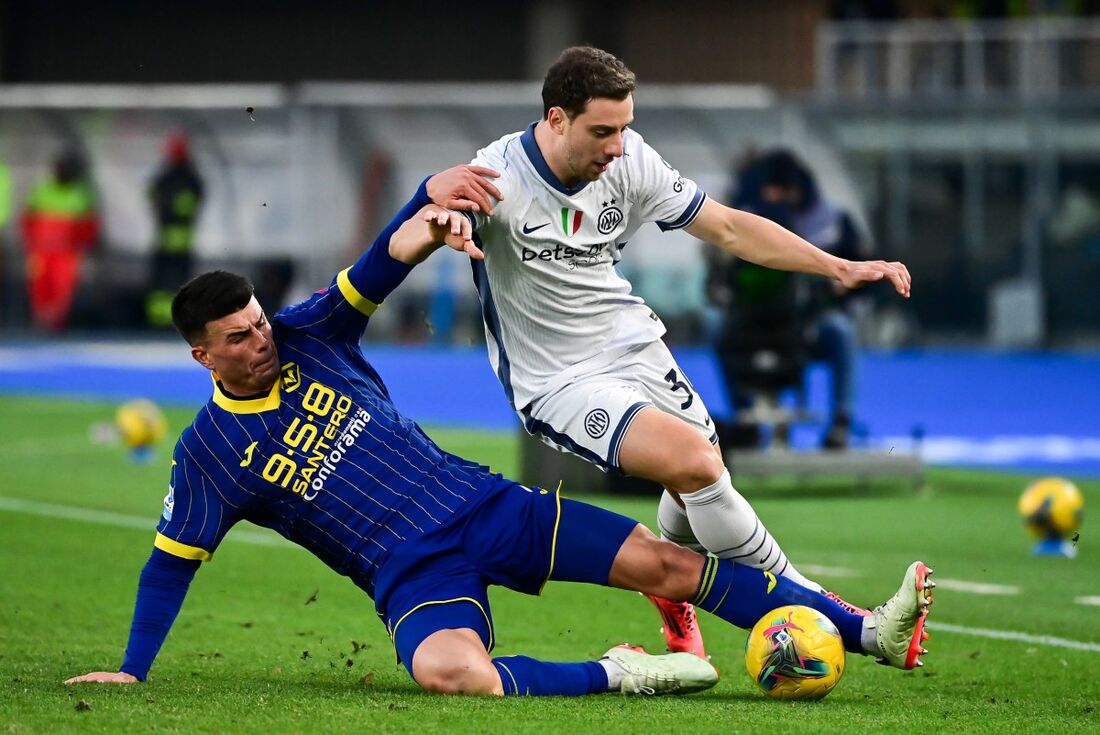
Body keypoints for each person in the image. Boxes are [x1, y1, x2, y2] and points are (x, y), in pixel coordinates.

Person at [64, 165, 934, 696]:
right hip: (411, 568)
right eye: (240, 337)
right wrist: (134, 669)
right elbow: (168, 566)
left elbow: (386, 256)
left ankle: (866, 633)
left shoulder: (309, 332)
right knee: (452, 675)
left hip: (482, 504)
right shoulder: (210, 456)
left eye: (258, 321)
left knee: (670, 563)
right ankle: (628, 670)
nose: (261, 339)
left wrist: (432, 212)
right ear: (199, 355)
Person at [457, 47, 912, 657]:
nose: (618, 146)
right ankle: (848, 624)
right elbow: (431, 213)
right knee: (697, 465)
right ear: (556, 119)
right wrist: (445, 220)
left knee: (695, 476)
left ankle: (670, 590)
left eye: (624, 128)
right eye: (602, 131)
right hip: (558, 380)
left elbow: (726, 227)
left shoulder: (629, 158)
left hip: (630, 342)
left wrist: (834, 266)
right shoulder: (497, 176)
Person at [714, 149, 870, 449]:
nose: (777, 196)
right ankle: (744, 418)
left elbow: (859, 274)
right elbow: (721, 277)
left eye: (783, 190)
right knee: (714, 324)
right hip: (751, 322)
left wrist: (836, 293)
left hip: (810, 321)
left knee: (841, 328)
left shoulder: (832, 222)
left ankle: (841, 420)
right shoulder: (745, 216)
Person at [20, 149, 99, 331]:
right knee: (39, 288)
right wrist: (30, 243)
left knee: (63, 290)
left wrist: (84, 244)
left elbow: (89, 225)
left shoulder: (81, 194)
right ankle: (41, 322)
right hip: (41, 251)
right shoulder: (41, 190)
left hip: (66, 253)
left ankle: (56, 325)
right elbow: (27, 220)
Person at [146, 133, 205, 328]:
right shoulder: (186, 177)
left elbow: (185, 205)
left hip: (177, 239)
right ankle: (160, 318)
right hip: (171, 238)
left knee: (174, 281)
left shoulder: (183, 178)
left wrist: (166, 206)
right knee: (166, 280)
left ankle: (170, 318)